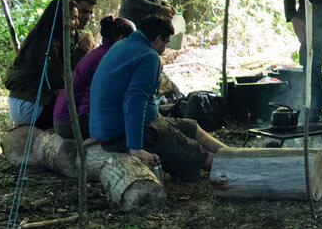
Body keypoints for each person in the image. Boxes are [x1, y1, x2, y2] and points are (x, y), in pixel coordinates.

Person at [89, 16, 229, 180]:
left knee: (191, 127)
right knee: (195, 153)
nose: (166, 48)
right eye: (166, 42)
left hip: (113, 127)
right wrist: (135, 147)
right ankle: (238, 166)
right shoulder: (148, 56)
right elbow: (135, 102)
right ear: (157, 39)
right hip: (123, 133)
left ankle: (232, 153)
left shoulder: (121, 45)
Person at [4, 0, 97, 128]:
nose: (77, 23)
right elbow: (58, 81)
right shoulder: (47, 44)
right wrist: (81, 52)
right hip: (30, 107)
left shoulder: (52, 38)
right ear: (60, 18)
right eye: (73, 18)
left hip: (29, 103)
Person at [56, 15, 134, 139]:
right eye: (132, 41)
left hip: (64, 119)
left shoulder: (100, 53)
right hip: (73, 122)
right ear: (121, 38)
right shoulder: (109, 58)